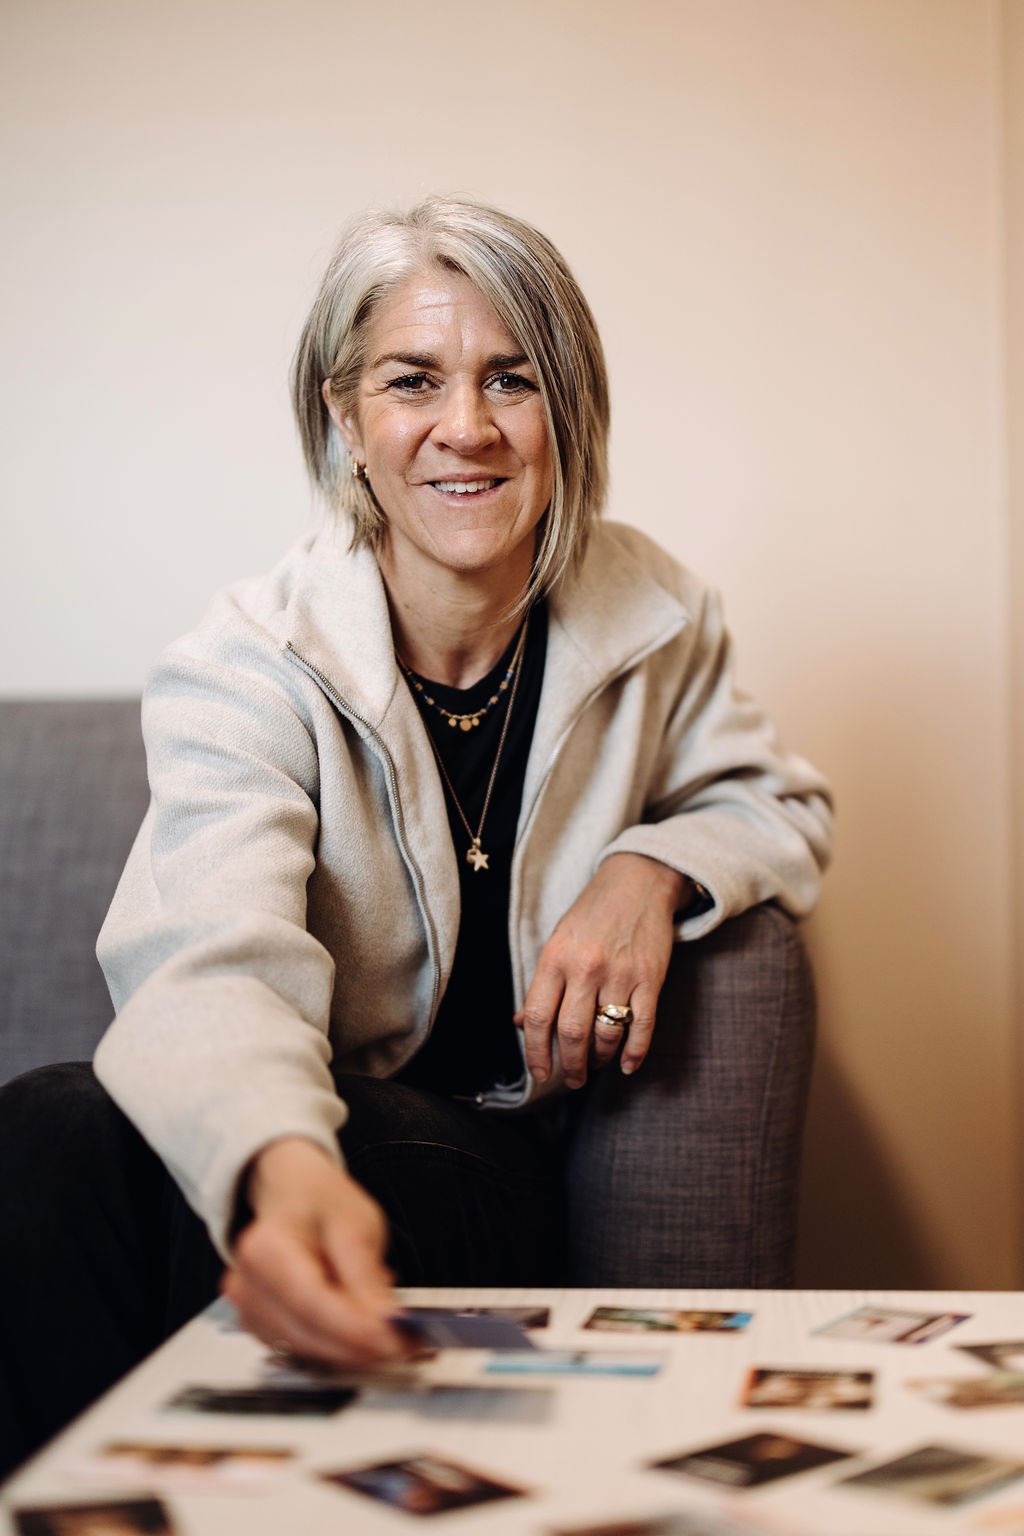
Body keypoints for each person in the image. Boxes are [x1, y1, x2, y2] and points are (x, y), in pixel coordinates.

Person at [0, 196, 832, 1477]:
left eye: (513, 378)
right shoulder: (249, 661)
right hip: (309, 1136)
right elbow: (208, 949)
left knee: (281, 1164)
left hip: (486, 1164)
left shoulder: (655, 613)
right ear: (346, 416)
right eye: (412, 380)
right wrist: (280, 1166)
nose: (468, 429)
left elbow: (779, 805)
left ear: (568, 407)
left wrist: (652, 867)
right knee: (48, 1126)